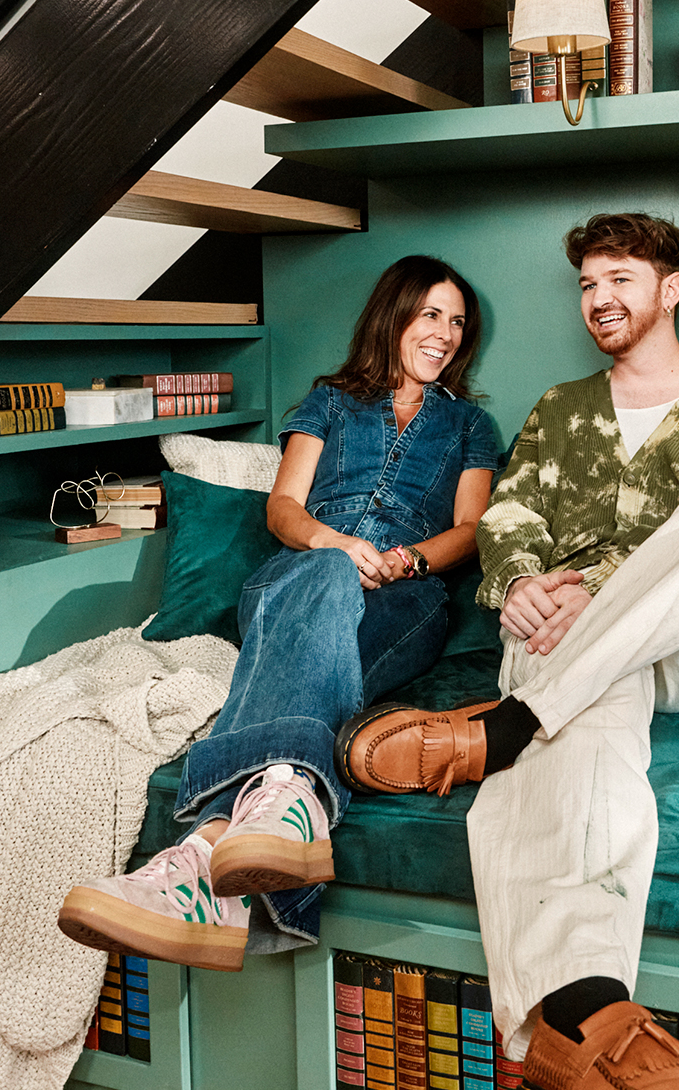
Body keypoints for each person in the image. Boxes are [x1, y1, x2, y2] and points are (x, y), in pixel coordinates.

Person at [338, 215, 679, 1090]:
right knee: (589, 723)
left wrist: (598, 596)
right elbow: (505, 518)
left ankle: (502, 726)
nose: (600, 300)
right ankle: (579, 1021)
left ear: (670, 289)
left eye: (620, 279)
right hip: (572, 642)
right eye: (587, 285)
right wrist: (524, 585)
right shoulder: (561, 407)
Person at [59, 255, 499, 971]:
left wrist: (408, 560)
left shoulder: (469, 424)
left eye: (456, 322)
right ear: (395, 316)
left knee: (328, 638)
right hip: (297, 577)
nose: (444, 334)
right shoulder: (328, 400)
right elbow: (283, 507)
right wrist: (336, 547)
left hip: (404, 599)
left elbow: (471, 528)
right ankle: (287, 803)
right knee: (323, 576)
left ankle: (199, 858)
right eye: (430, 315)